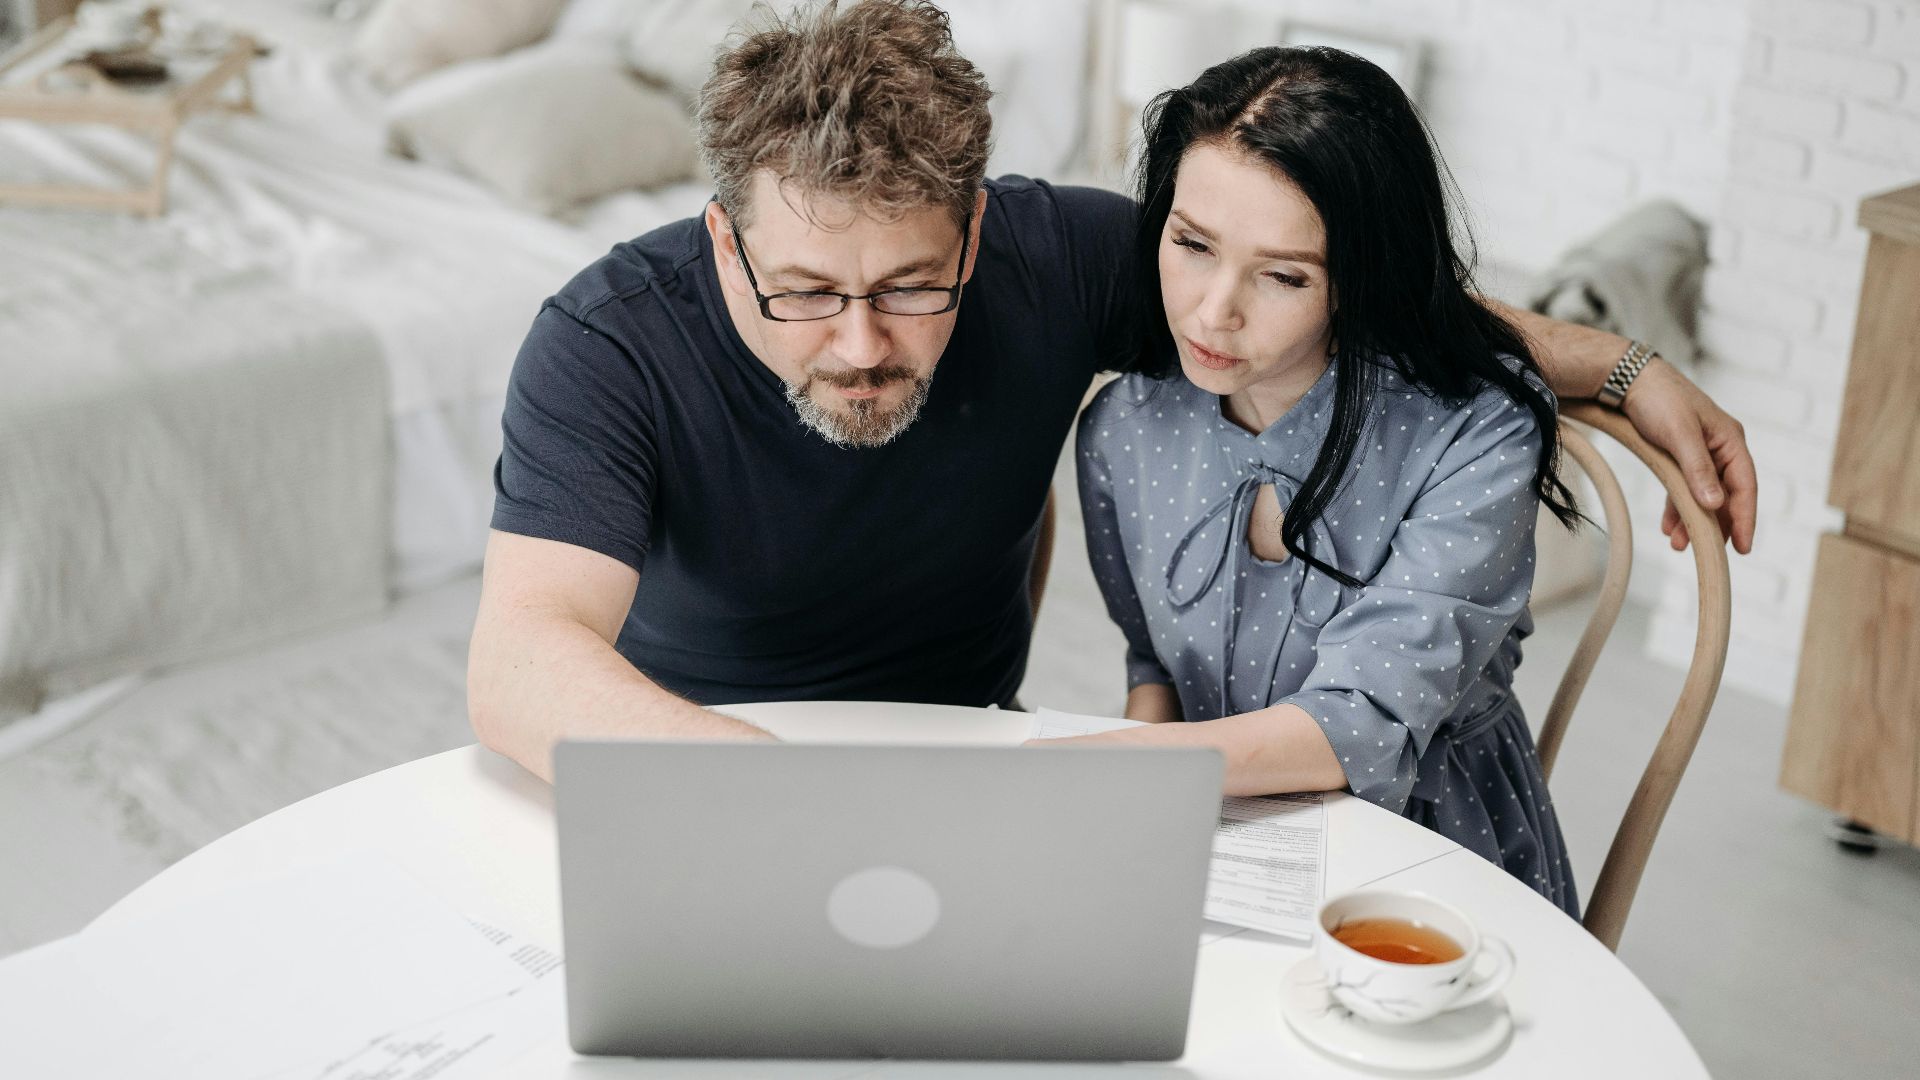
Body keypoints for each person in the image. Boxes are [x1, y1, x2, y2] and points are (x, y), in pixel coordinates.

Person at [466, 0, 1758, 791]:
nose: (860, 344)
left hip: (973, 754)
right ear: (721, 240)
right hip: (694, 760)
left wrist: (1620, 367)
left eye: (913, 286)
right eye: (803, 290)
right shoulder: (606, 342)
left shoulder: (1062, 256)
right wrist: (774, 793)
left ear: (975, 236)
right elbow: (524, 660)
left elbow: (1347, 282)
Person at [1055, 47, 1600, 912]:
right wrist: (1141, 801)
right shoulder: (1126, 427)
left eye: (1281, 275)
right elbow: (1154, 660)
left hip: (1430, 858)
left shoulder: (1474, 431)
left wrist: (1127, 765)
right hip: (1210, 827)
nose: (1212, 310)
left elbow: (1365, 717)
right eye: (1192, 244)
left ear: (1354, 278)